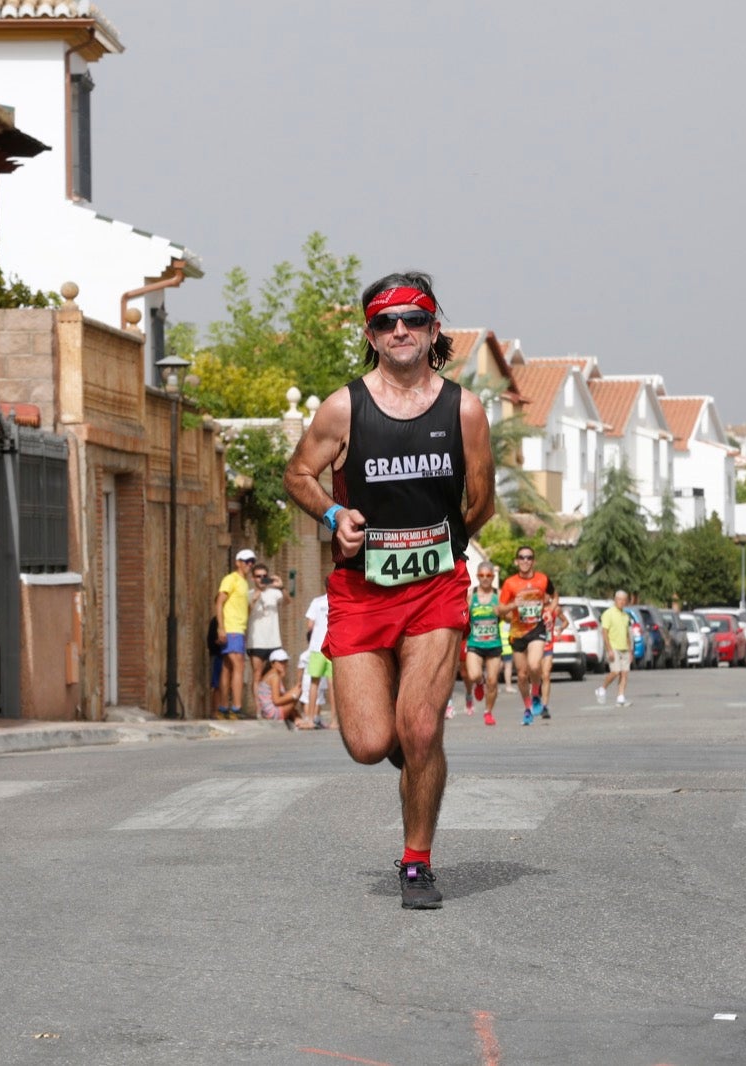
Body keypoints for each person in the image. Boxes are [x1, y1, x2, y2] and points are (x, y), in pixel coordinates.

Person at [282, 270, 494, 910]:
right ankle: (411, 750)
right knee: (371, 743)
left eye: (413, 318)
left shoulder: (464, 409)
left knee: (422, 726)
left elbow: (480, 502)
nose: (399, 330)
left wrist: (444, 544)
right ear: (371, 335)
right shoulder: (344, 407)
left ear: (434, 330)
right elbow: (297, 473)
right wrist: (332, 517)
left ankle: (417, 862)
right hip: (361, 589)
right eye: (384, 321)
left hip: (435, 589)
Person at [499, 547, 556, 726]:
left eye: (529, 557)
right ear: (516, 561)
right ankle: (527, 707)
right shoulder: (510, 583)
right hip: (517, 632)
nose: (525, 560)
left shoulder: (542, 579)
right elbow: (500, 610)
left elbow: (554, 596)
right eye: (522, 557)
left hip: (536, 629)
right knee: (522, 675)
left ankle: (537, 693)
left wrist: (550, 610)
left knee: (534, 664)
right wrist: (513, 605)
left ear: (533, 561)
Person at [214, 549, 257, 719]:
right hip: (232, 629)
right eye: (246, 561)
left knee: (227, 667)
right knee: (239, 665)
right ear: (237, 562)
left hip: (238, 629)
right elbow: (219, 602)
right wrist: (220, 627)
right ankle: (237, 707)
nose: (249, 565)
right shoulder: (230, 579)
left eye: (252, 561)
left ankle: (224, 706)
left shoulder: (245, 583)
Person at [464, 562, 504, 726]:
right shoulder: (471, 594)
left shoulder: (499, 594)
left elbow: (508, 616)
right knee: (473, 675)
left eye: (488, 576)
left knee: (493, 681)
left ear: (493, 577)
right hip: (475, 642)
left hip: (494, 644)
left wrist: (501, 611)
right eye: (482, 575)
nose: (485, 579)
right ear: (477, 576)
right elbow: (463, 616)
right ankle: (479, 683)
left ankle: (488, 712)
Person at [246, 563, 290, 705]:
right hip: (257, 641)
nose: (262, 579)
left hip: (274, 641)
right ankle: (259, 708)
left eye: (265, 576)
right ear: (253, 578)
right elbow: (245, 612)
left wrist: (281, 586)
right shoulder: (249, 594)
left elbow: (288, 601)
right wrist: (254, 598)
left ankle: (274, 703)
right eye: (258, 576)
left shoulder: (274, 593)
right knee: (257, 674)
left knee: (278, 672)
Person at [302, 591, 337, 729]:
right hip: (332, 646)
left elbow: (310, 625)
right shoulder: (337, 600)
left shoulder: (317, 602)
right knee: (332, 685)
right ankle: (334, 721)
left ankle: (310, 719)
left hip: (317, 647)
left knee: (314, 684)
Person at [597, 590, 634, 706]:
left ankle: (621, 697)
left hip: (624, 648)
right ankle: (602, 688)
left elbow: (627, 634)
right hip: (614, 647)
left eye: (624, 600)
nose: (622, 602)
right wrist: (609, 649)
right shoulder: (608, 613)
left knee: (624, 673)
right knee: (615, 671)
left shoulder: (625, 616)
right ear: (615, 600)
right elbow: (604, 632)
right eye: (619, 599)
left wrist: (630, 650)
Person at [255, 649, 304, 725]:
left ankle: (296, 718)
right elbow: (277, 701)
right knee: (297, 692)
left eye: (285, 662)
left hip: (268, 712)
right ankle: (297, 718)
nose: (283, 664)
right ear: (272, 664)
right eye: (280, 662)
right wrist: (293, 696)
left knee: (296, 690)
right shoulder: (274, 677)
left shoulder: (273, 674)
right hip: (273, 714)